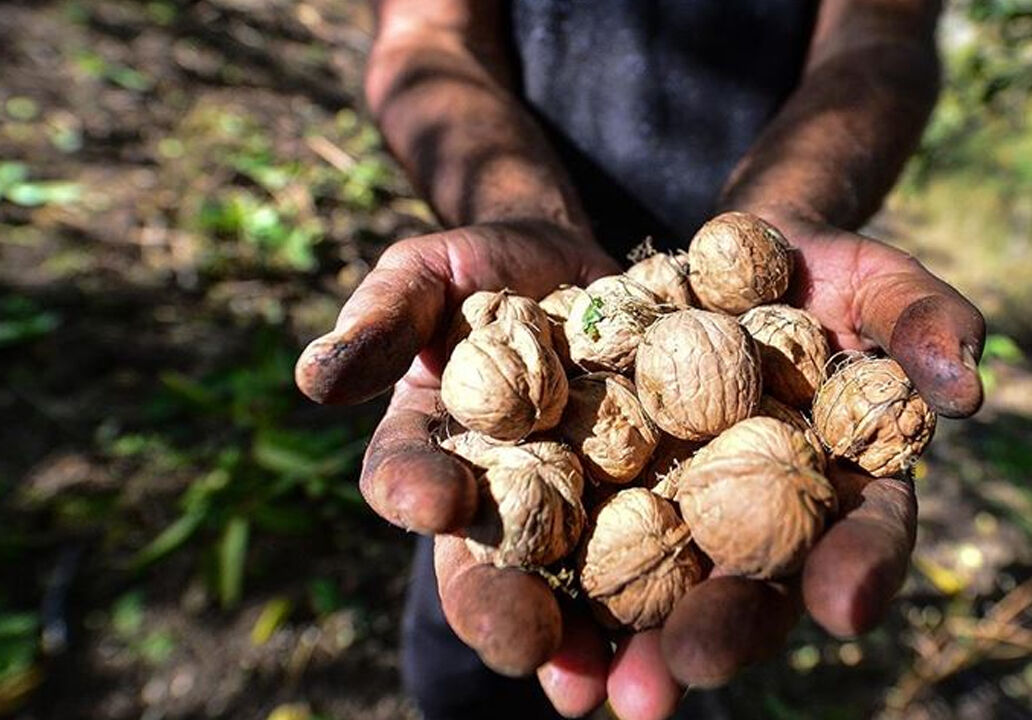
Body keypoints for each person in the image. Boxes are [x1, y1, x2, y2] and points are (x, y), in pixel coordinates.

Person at [294, 1, 986, 718]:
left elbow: (881, 36)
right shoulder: (540, 380)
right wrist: (519, 210)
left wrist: (789, 210)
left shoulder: (731, 370)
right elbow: (428, 37)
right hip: (545, 250)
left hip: (745, 256)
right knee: (472, 659)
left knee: (699, 651)